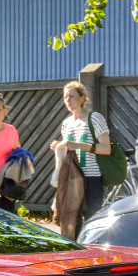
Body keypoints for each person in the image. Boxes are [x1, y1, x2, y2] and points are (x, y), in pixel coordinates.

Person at [50, 82, 113, 241]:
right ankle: (75, 255)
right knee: (72, 220)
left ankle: (94, 253)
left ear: (83, 98)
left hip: (92, 178)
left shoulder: (94, 118)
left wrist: (77, 145)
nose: (68, 100)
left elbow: (106, 148)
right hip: (73, 178)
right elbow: (69, 151)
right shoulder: (66, 123)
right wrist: (60, 147)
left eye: (72, 96)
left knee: (93, 220)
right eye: (65, 97)